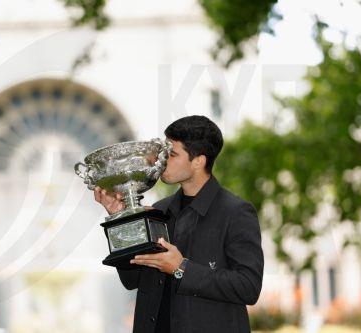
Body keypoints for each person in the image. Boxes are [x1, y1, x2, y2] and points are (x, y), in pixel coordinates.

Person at [94, 115, 264, 333]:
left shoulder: (236, 212)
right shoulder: (159, 210)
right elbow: (132, 279)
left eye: (172, 154)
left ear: (198, 161)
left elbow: (248, 287)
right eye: (163, 152)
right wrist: (121, 219)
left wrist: (181, 268)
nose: (162, 160)